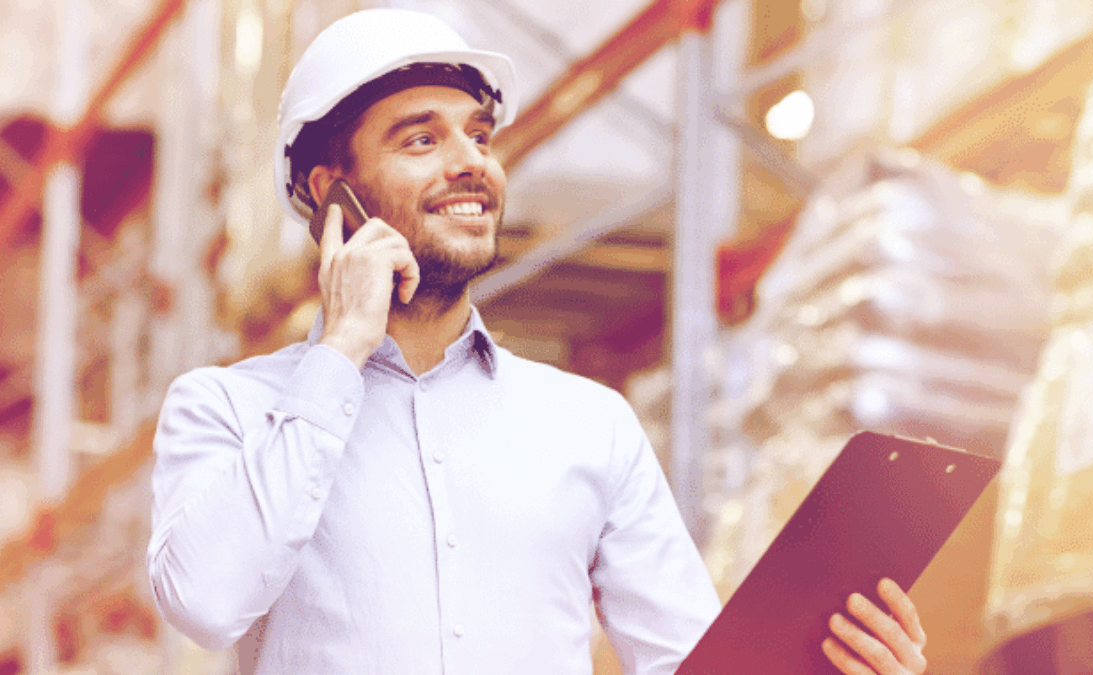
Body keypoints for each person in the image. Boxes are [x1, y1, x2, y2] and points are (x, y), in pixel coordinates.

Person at [146, 9, 928, 675]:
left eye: (479, 136)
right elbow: (208, 601)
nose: (471, 164)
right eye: (421, 141)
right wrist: (341, 350)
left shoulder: (589, 424)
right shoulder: (229, 408)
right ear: (331, 195)